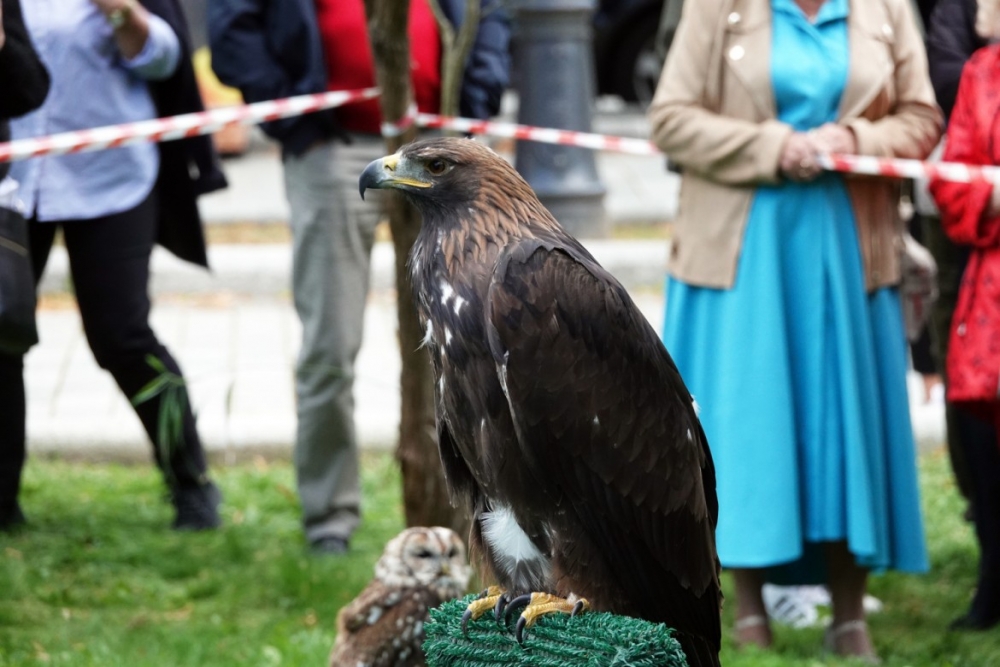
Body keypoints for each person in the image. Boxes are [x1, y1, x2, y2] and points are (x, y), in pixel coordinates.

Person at [648, 0, 940, 660]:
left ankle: (847, 610)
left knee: (843, 421)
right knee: (745, 425)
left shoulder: (886, 8)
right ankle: (744, 603)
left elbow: (921, 119)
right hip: (740, 247)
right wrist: (774, 146)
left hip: (848, 243)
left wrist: (856, 141)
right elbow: (670, 119)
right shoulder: (714, 7)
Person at [208, 0, 510, 555]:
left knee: (462, 350)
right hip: (335, 149)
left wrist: (471, 104)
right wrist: (294, 117)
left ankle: (470, 516)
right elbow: (231, 28)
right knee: (330, 345)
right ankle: (330, 519)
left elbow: (486, 14)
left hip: (443, 155)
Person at [1, 0, 227, 531]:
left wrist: (123, 12)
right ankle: (3, 505)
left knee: (122, 337)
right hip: (16, 181)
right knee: (1, 337)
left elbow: (165, 60)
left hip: (111, 179)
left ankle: (190, 482)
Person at [929, 0, 1000, 631]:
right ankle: (992, 581)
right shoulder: (982, 72)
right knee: (980, 428)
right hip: (991, 289)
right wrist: (993, 191)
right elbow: (951, 183)